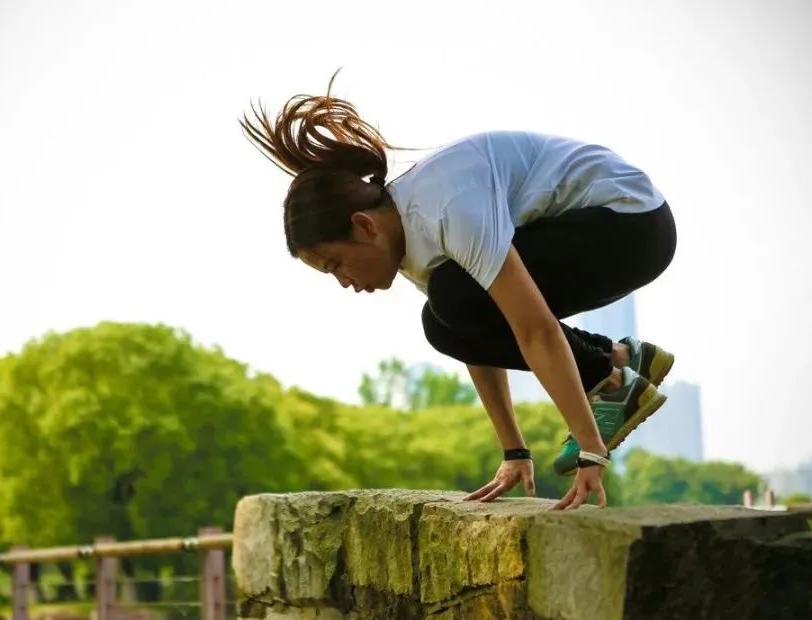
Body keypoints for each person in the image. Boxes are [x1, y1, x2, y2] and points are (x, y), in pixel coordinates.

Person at [240, 74, 677, 511]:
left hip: (633, 224)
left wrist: (591, 448)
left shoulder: (447, 209)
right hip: (601, 228)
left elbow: (535, 330)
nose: (345, 282)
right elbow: (475, 334)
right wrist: (514, 452)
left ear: (365, 225)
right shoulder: (410, 234)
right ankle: (621, 358)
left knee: (451, 298)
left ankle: (615, 378)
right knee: (441, 322)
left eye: (336, 264)